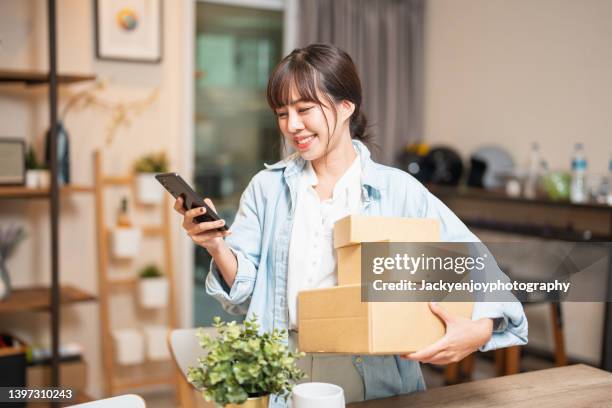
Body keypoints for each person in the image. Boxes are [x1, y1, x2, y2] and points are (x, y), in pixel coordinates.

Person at [174, 44, 528, 406]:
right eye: (282, 113)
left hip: (376, 375)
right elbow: (246, 295)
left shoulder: (398, 191)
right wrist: (216, 246)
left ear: (346, 106)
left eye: (305, 109)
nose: (292, 125)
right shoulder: (268, 189)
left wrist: (478, 330)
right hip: (286, 369)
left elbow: (476, 268)